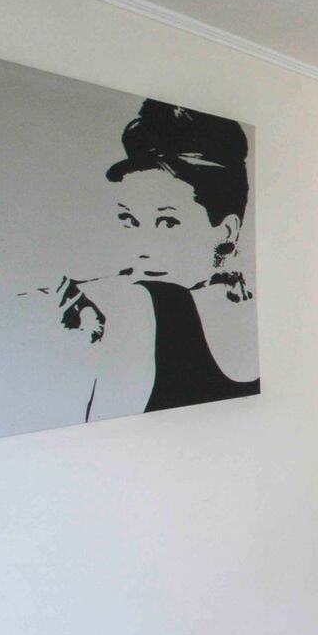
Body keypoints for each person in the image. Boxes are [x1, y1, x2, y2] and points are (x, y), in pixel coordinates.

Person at [47, 99, 259, 419]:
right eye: (129, 220)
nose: (141, 247)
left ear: (226, 231)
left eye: (168, 222)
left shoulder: (139, 303)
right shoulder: (248, 303)